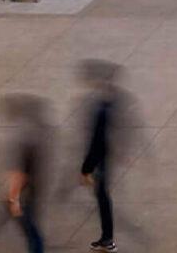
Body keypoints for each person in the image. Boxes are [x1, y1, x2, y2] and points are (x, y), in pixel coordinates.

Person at [76, 60, 123, 252]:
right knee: (102, 195)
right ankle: (107, 238)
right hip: (107, 154)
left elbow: (96, 141)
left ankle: (107, 239)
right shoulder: (110, 103)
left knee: (102, 196)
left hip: (102, 158)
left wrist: (86, 168)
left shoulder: (100, 111)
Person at [0, 94, 51, 253]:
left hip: (25, 193)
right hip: (33, 189)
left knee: (31, 231)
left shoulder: (21, 136)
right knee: (31, 229)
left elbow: (19, 173)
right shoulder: (34, 131)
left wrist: (13, 199)